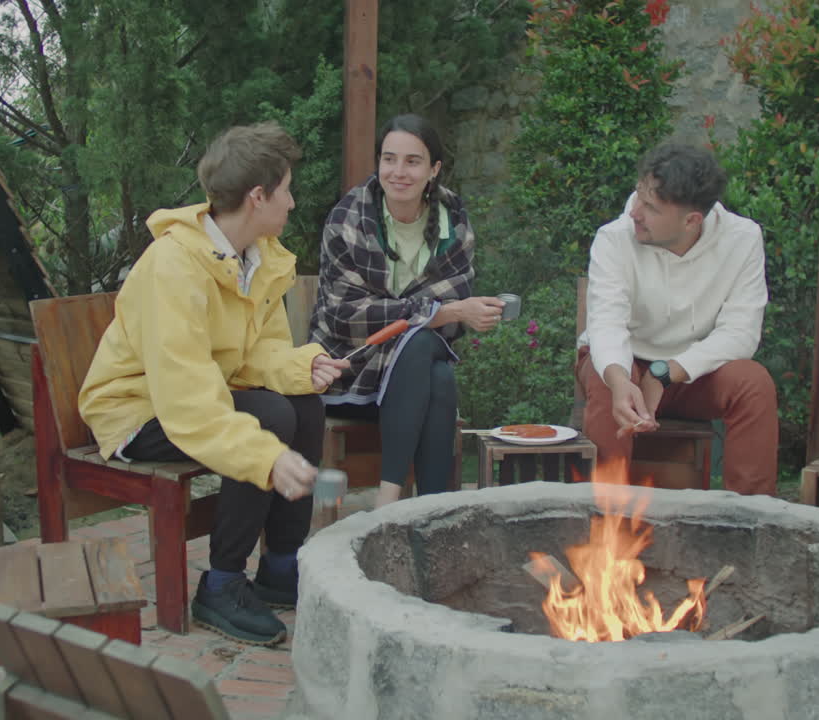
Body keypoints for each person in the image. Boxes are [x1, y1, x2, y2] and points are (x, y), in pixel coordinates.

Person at [78, 122, 350, 646]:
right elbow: (186, 401)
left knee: (304, 405)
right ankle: (222, 584)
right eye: (286, 190)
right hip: (137, 410)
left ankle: (279, 568)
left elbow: (259, 353)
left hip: (202, 395)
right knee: (267, 419)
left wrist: (301, 370)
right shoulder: (174, 268)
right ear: (257, 196)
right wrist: (264, 457)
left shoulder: (259, 259)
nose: (292, 203)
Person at [309, 114, 504, 507]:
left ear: (434, 170)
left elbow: (452, 308)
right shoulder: (348, 219)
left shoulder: (454, 222)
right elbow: (346, 317)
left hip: (413, 375)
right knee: (431, 360)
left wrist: (439, 316)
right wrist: (441, 312)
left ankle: (405, 504)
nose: (398, 172)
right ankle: (418, 509)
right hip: (352, 371)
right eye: (389, 159)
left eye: (412, 162)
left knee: (429, 360)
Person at [577, 143, 779, 495]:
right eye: (639, 196)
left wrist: (667, 373)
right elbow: (607, 325)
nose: (635, 213)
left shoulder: (742, 239)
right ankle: (606, 526)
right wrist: (622, 381)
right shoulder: (614, 238)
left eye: (651, 208)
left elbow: (740, 334)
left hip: (694, 372)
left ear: (691, 220)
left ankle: (751, 526)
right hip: (624, 363)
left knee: (754, 383)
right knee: (605, 381)